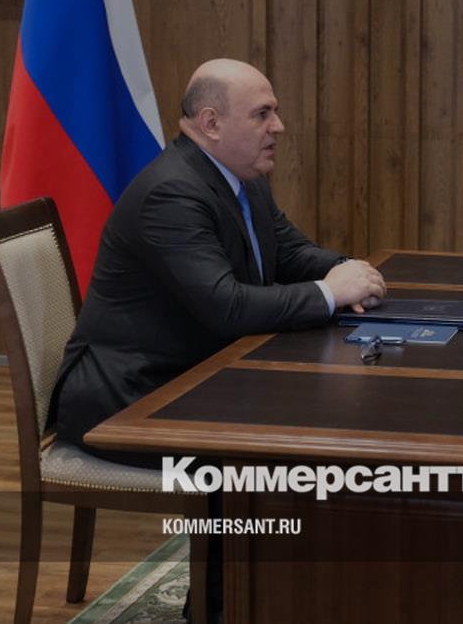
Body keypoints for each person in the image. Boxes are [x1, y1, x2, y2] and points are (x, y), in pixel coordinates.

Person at [49, 59, 386, 622]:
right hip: (130, 400)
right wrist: (330, 293)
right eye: (262, 114)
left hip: (193, 380)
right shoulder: (171, 194)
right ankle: (218, 609)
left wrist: (351, 272)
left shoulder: (241, 178)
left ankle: (287, 596)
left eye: (275, 112)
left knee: (311, 432)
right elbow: (226, 307)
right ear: (210, 123)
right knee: (263, 459)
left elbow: (289, 253)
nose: (278, 126)